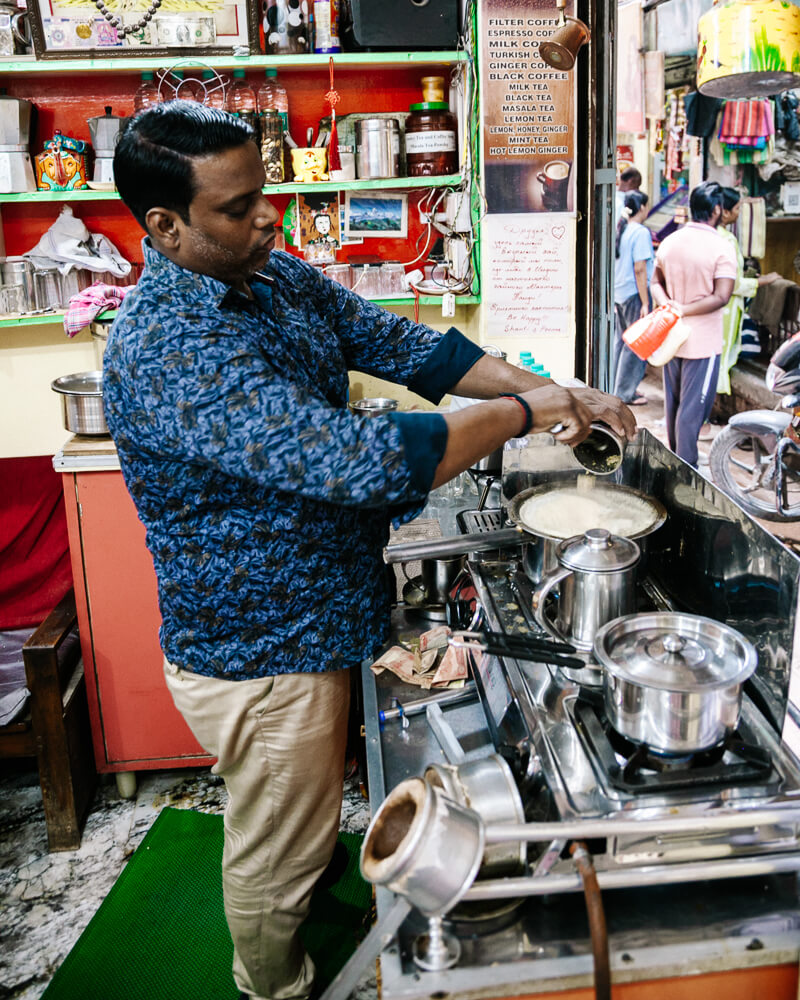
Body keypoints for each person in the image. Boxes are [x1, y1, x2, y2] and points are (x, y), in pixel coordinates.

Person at [106, 101, 635, 1000]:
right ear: (166, 226)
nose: (266, 215)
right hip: (262, 648)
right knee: (281, 848)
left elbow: (399, 343)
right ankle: (274, 984)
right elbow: (351, 462)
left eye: (263, 193)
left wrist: (547, 387)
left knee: (301, 820)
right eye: (237, 207)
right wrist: (518, 416)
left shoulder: (267, 277)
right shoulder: (169, 347)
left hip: (317, 615)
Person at [650, 180, 737, 467]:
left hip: (671, 335)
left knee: (674, 406)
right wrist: (685, 309)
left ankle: (677, 463)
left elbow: (655, 282)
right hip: (702, 341)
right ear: (716, 210)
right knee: (692, 411)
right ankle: (686, 469)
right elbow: (722, 296)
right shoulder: (721, 246)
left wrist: (669, 306)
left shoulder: (671, 241)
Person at [716, 187, 779, 394]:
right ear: (724, 212)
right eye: (736, 208)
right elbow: (732, 284)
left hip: (720, 307)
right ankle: (706, 415)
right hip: (724, 308)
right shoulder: (727, 240)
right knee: (720, 357)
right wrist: (763, 282)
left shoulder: (711, 235)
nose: (738, 213)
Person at [612, 190, 653, 406]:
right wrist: (646, 302)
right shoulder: (640, 232)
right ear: (643, 208)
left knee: (622, 341)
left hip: (620, 293)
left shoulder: (621, 228)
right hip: (634, 293)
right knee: (636, 345)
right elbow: (640, 268)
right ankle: (625, 392)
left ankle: (616, 388)